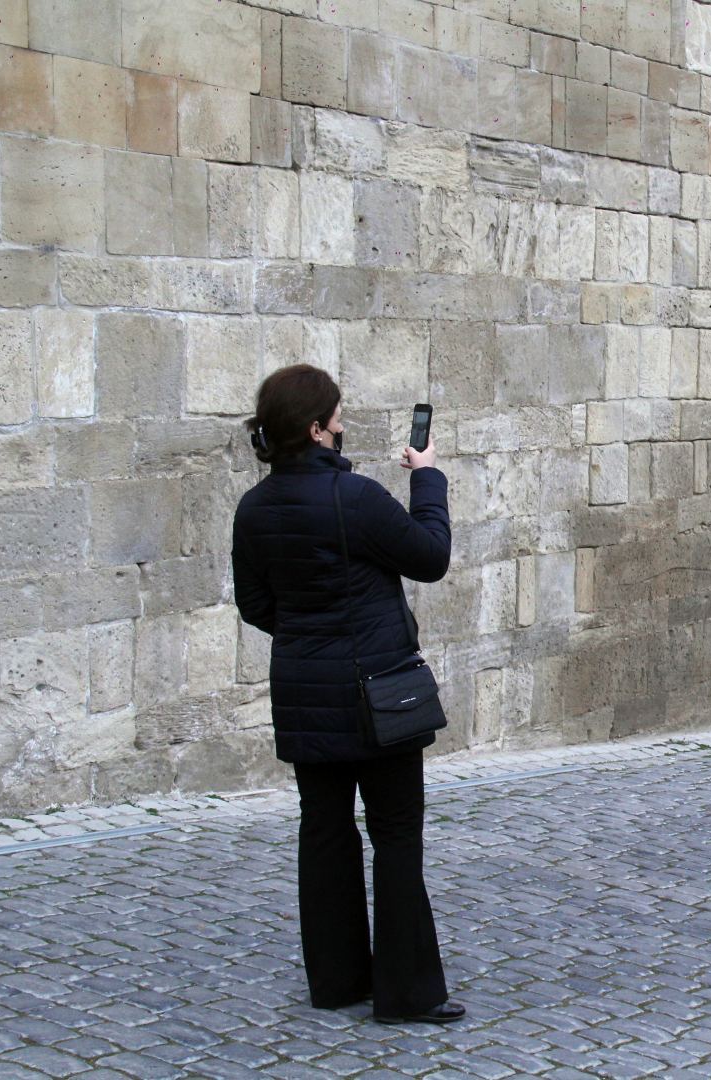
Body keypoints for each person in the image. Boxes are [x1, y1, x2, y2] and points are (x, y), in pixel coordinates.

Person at [231, 364, 463, 1024]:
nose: (342, 424)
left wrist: (312, 632)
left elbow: (255, 604)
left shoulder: (254, 508)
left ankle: (336, 982)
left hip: (306, 690)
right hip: (379, 693)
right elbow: (430, 554)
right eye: (335, 415)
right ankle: (407, 993)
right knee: (394, 836)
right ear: (315, 428)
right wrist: (426, 476)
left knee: (326, 833)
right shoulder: (354, 498)